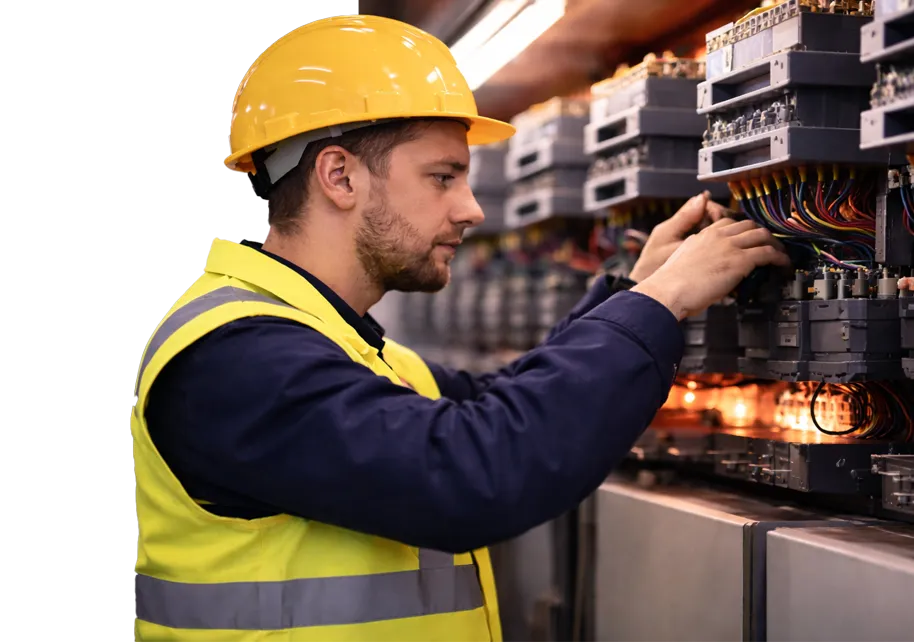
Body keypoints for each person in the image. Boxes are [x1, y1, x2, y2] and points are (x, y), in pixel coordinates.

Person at [130, 14, 790, 642]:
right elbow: (479, 468)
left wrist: (634, 291)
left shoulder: (344, 349)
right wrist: (660, 304)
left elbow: (500, 405)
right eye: (442, 177)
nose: (471, 208)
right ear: (339, 176)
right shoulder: (234, 357)